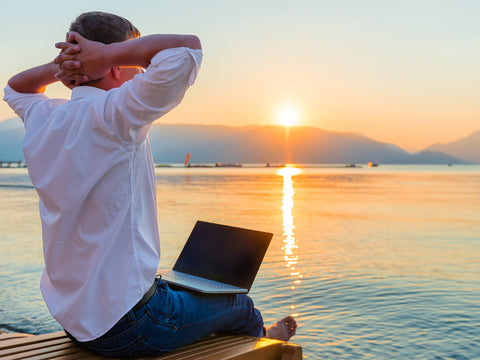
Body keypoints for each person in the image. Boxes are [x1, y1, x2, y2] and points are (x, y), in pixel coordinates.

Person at [3, 11, 297, 358]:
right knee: (239, 304)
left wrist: (65, 65)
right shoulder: (117, 114)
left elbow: (15, 86)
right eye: (134, 61)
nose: (141, 69)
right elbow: (188, 49)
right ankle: (267, 339)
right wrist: (106, 55)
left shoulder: (46, 118)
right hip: (131, 326)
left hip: (78, 322)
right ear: (113, 67)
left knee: (180, 286)